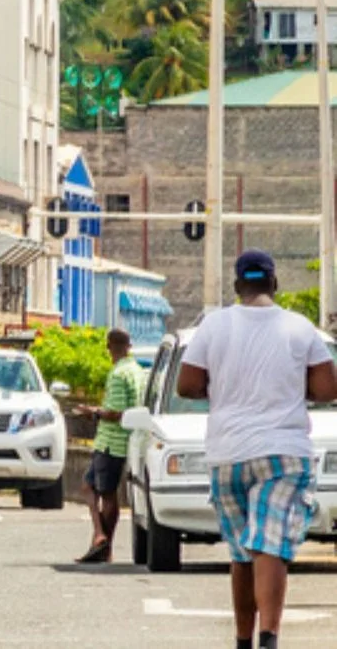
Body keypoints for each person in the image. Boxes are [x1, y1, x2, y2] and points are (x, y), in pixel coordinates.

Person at [176, 250, 337, 649]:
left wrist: (222, 388)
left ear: (236, 287)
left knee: (243, 551)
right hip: (283, 451)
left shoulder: (213, 326)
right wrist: (289, 388)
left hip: (227, 454)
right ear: (274, 284)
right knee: (271, 542)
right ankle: (269, 638)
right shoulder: (300, 329)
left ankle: (243, 639)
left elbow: (186, 385)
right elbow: (327, 389)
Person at [81, 327, 138, 564]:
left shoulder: (117, 374)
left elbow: (116, 412)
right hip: (126, 440)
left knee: (104, 492)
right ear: (129, 346)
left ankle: (102, 538)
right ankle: (101, 541)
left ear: (108, 347)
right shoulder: (137, 371)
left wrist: (95, 413)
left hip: (110, 442)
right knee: (93, 488)